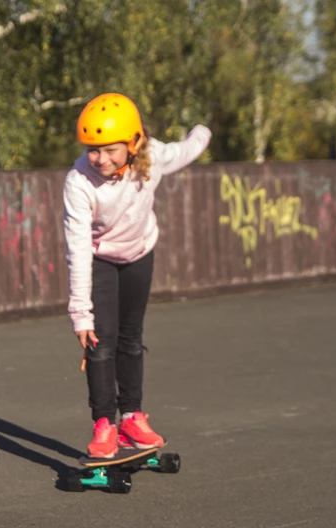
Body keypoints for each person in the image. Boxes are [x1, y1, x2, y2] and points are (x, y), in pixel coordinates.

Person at [63, 93, 211, 459]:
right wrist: (80, 313)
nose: (100, 159)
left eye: (110, 149)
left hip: (140, 254)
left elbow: (185, 151)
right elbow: (77, 248)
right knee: (100, 342)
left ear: (134, 142)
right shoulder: (79, 181)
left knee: (132, 338)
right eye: (93, 150)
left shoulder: (153, 157)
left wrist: (203, 132)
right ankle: (104, 425)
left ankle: (131, 416)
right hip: (100, 260)